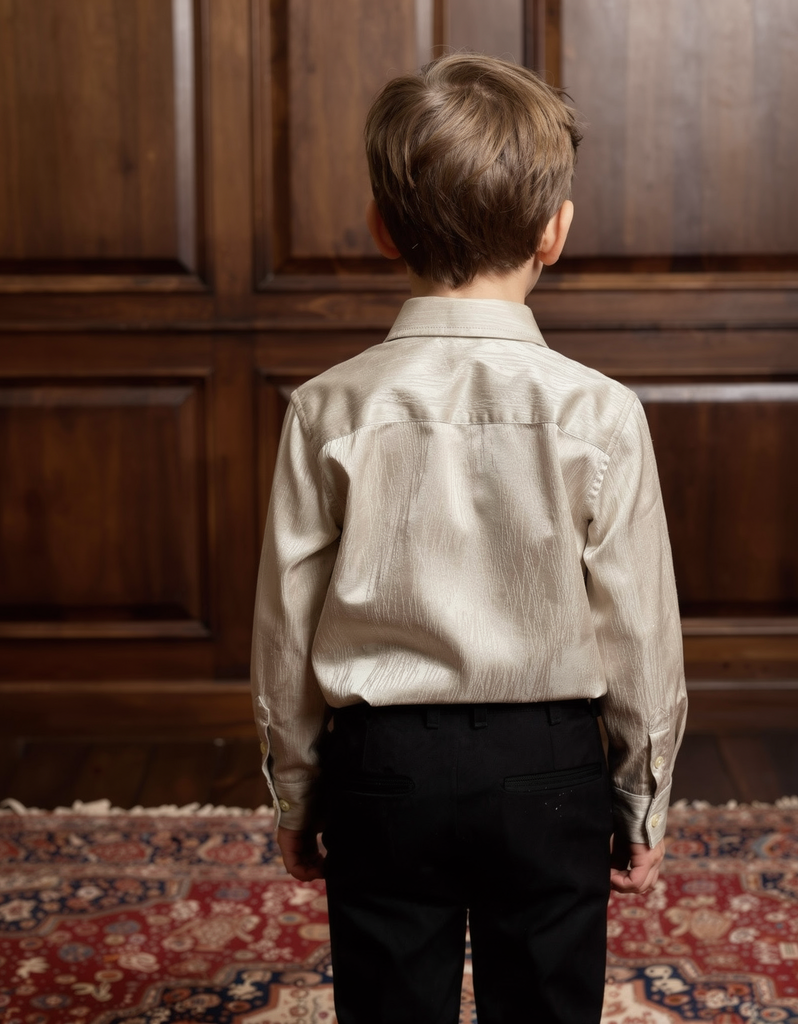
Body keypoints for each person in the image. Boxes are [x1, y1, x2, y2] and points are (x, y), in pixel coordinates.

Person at [251, 52, 687, 1024]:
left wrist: (295, 794)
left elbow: (285, 630)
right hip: (550, 770)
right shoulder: (603, 414)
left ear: (379, 230)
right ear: (555, 231)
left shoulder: (324, 410)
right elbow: (640, 636)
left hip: (382, 770)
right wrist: (640, 797)